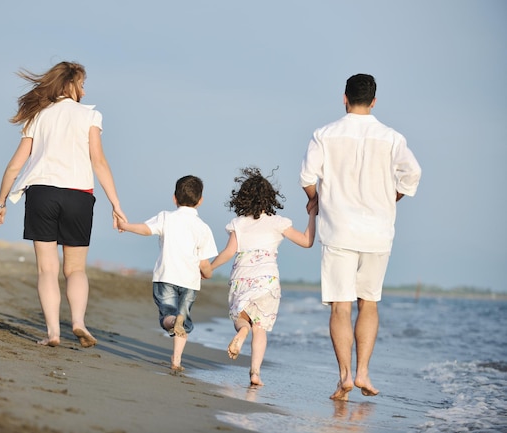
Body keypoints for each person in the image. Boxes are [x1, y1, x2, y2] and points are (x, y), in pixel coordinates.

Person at [300, 73, 421, 400]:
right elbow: (413, 173)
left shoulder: (324, 134)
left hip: (338, 229)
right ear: (374, 100)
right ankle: (364, 371)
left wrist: (316, 199)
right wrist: (394, 196)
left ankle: (345, 376)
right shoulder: (391, 137)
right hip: (378, 231)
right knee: (369, 302)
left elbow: (307, 177)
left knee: (341, 306)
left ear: (344, 97)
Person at [0, 61, 127, 348]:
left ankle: (53, 333)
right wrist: (115, 204)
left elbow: (15, 166)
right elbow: (99, 162)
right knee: (76, 269)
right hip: (78, 195)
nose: (85, 89)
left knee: (47, 270)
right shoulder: (90, 116)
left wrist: (1, 202)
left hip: (42, 193)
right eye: (82, 83)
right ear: (71, 84)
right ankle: (78, 322)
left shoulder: (38, 116)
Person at [211, 167, 316, 386]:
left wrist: (210, 268)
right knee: (261, 328)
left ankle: (242, 333)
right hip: (268, 282)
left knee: (242, 319)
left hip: (243, 278)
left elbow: (229, 253)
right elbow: (307, 241)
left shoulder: (238, 224)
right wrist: (313, 214)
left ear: (243, 198)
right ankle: (255, 374)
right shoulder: (278, 223)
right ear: (270, 198)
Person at [116, 175, 218, 372]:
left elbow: (146, 229)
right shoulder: (203, 228)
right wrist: (208, 273)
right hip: (189, 282)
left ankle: (173, 321)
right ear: (200, 201)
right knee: (184, 318)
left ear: (174, 198)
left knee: (167, 316)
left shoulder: (166, 217)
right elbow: (204, 263)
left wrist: (126, 226)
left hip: (166, 277)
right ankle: (177, 360)